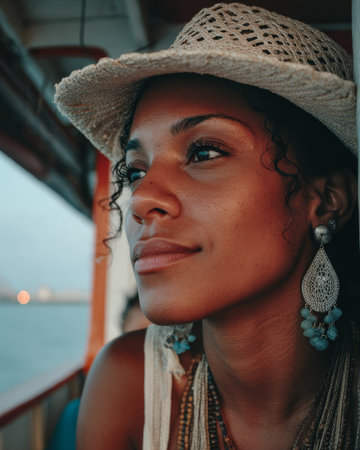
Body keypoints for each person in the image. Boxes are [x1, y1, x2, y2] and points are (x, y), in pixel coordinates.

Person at [55, 3, 359, 449]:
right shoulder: (127, 387)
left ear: (327, 200)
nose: (142, 198)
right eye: (135, 170)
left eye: (204, 152)